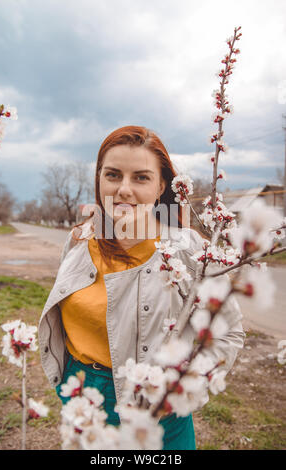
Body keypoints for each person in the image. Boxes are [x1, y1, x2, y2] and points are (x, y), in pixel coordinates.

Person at [38, 125, 245, 450]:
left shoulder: (188, 251)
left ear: (163, 184)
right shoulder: (79, 240)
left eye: (140, 177)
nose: (123, 189)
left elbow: (228, 332)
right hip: (82, 394)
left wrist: (185, 388)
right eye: (113, 175)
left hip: (156, 412)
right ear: (99, 179)